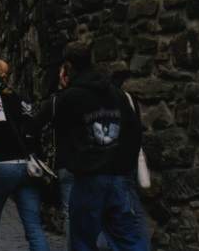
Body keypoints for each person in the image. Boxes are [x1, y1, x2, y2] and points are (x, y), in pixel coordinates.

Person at [31, 42, 149, 251]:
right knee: (128, 239)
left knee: (83, 240)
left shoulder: (67, 98)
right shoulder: (116, 94)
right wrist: (124, 165)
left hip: (88, 177)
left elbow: (35, 124)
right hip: (117, 176)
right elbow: (134, 132)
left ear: (67, 67)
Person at [0, 59, 50, 251]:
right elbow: (33, 129)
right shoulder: (21, 98)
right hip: (27, 168)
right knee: (33, 227)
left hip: (2, 167)